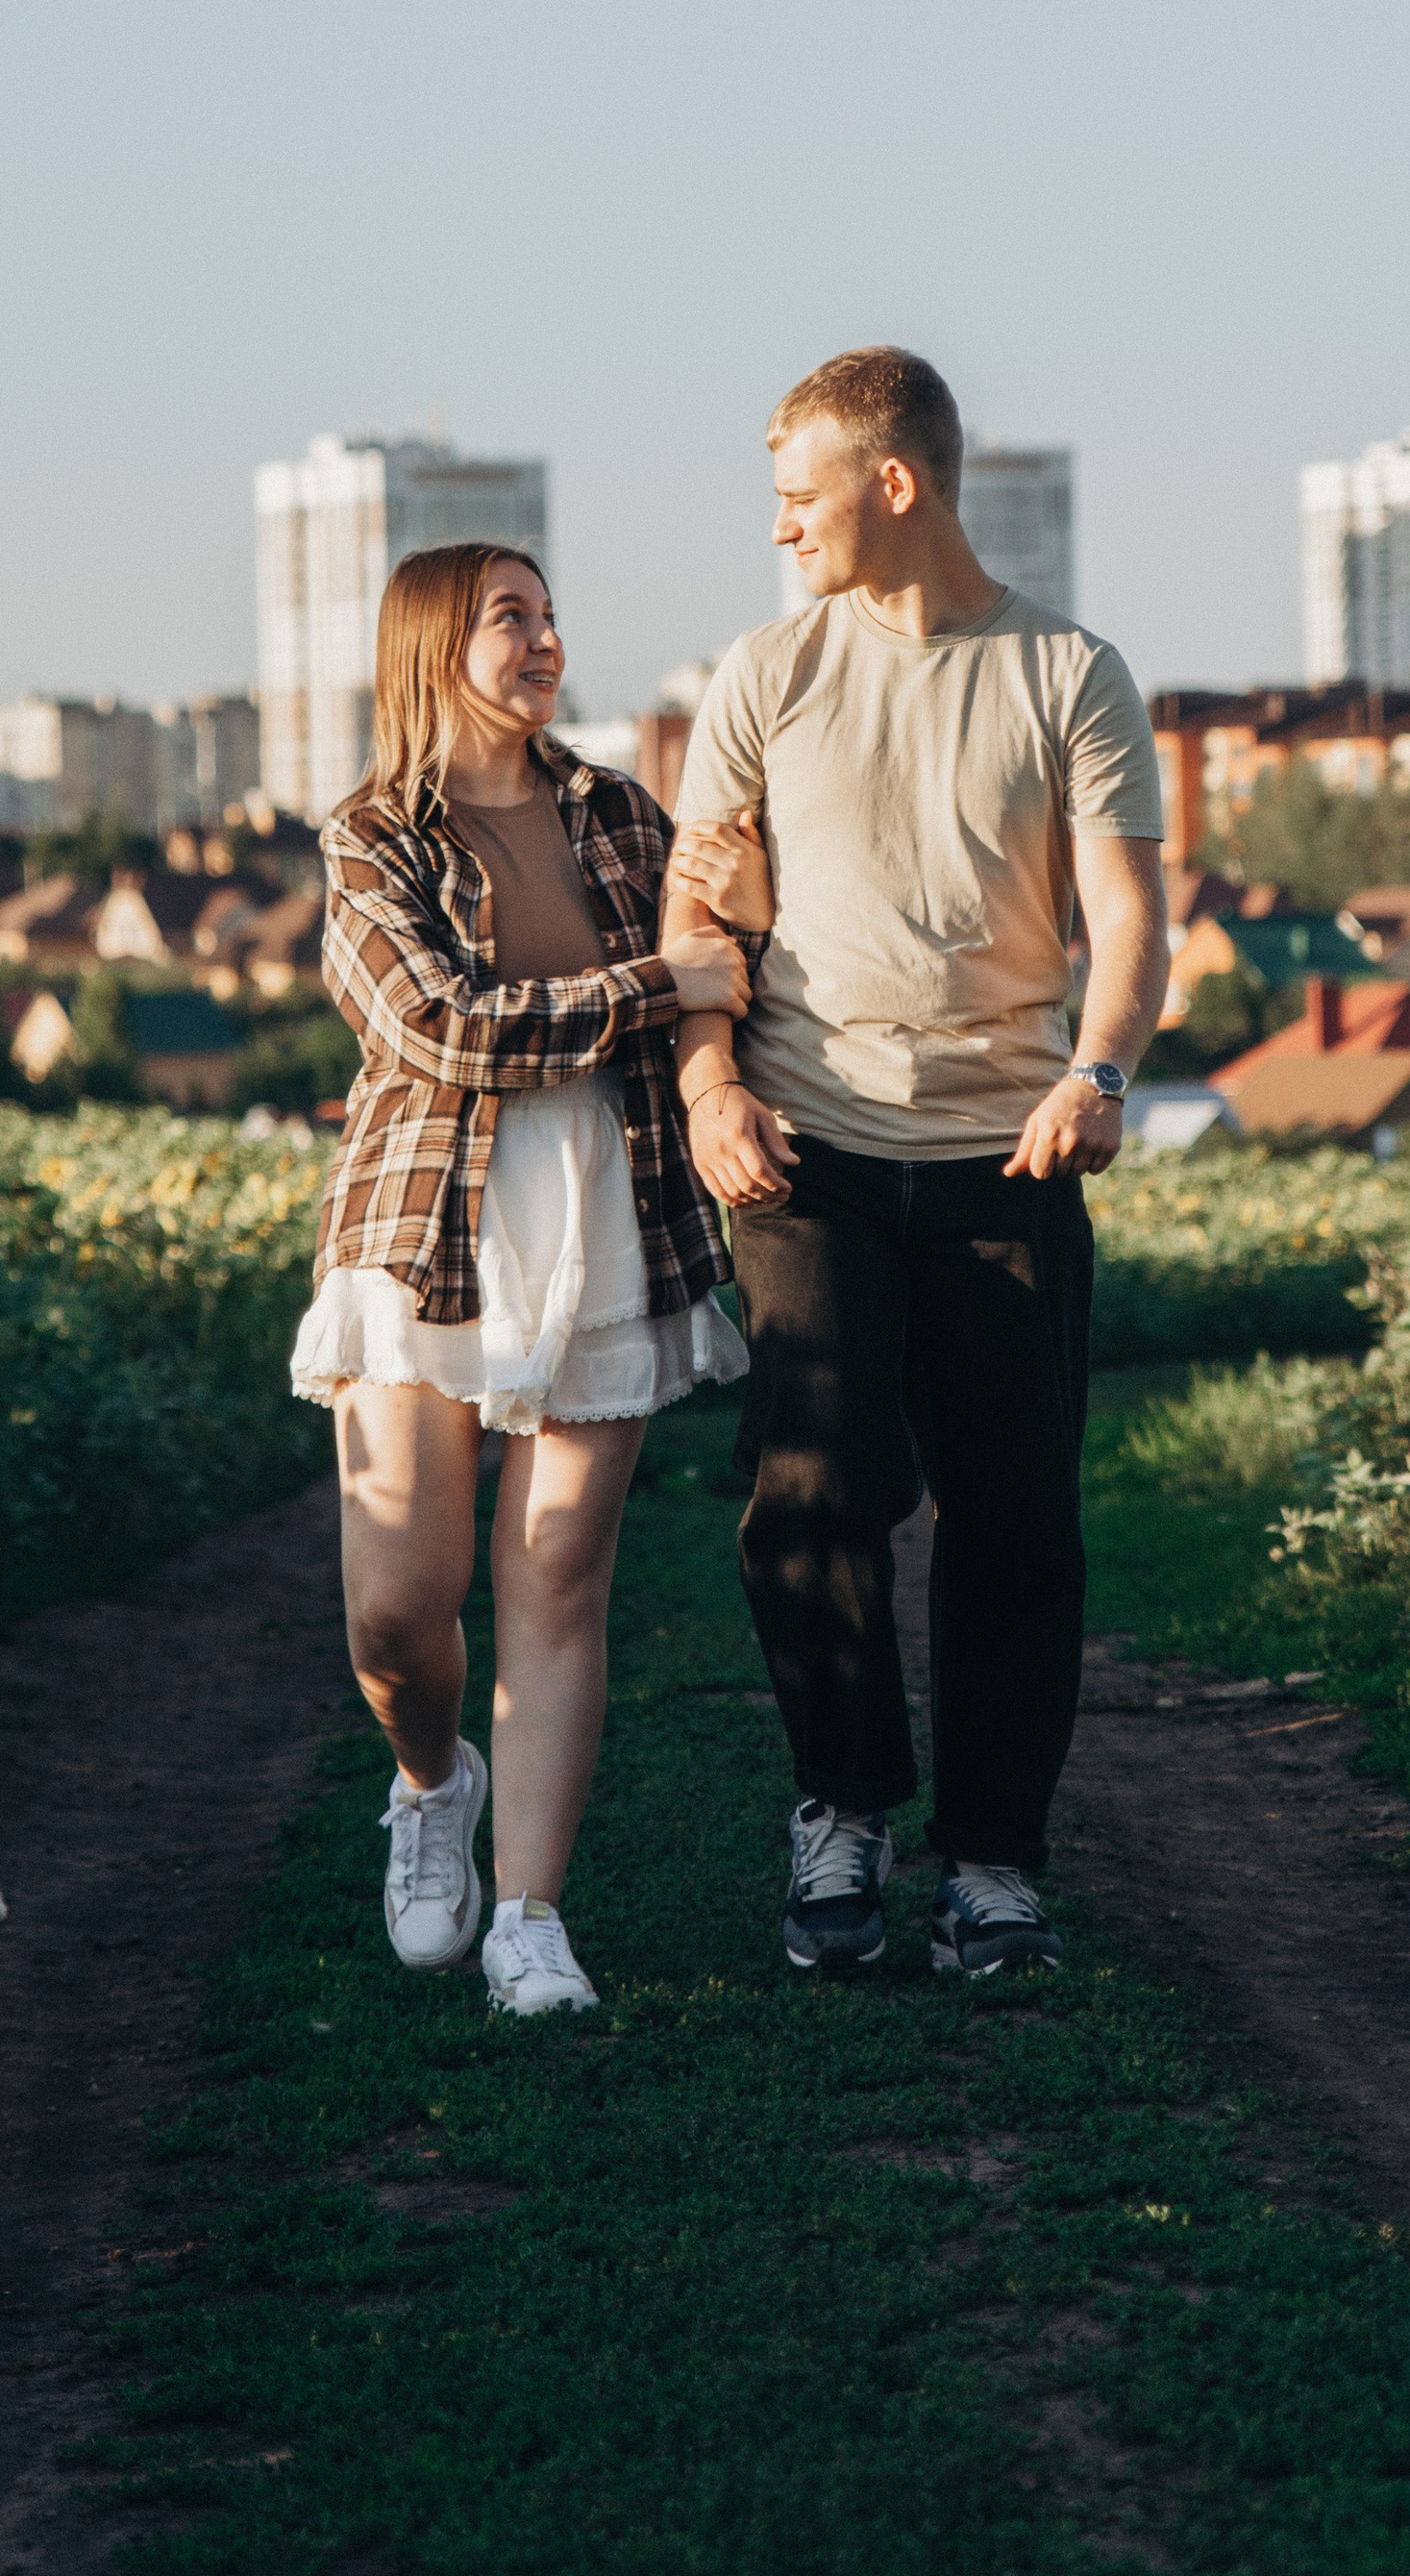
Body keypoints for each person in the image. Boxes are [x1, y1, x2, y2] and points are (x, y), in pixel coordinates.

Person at [664, 347, 1171, 1980]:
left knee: (1015, 1521)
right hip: (805, 1147)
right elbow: (693, 923)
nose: (778, 526)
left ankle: (997, 1867)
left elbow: (1133, 918)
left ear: (897, 484)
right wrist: (707, 1093)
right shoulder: (765, 671)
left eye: (798, 493)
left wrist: (1101, 1070)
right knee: (811, 1489)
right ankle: (844, 1807)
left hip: (1006, 1158)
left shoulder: (1069, 672)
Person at [290, 542, 766, 2016]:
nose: (546, 640)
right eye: (513, 619)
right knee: (397, 1605)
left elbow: (727, 961)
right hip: (423, 1223)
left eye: (552, 616)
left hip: (608, 1209)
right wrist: (652, 989)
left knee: (558, 1576)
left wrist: (724, 941)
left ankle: (531, 1917)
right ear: (437, 644)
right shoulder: (371, 836)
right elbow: (440, 1029)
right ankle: (432, 1783)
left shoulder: (622, 812)